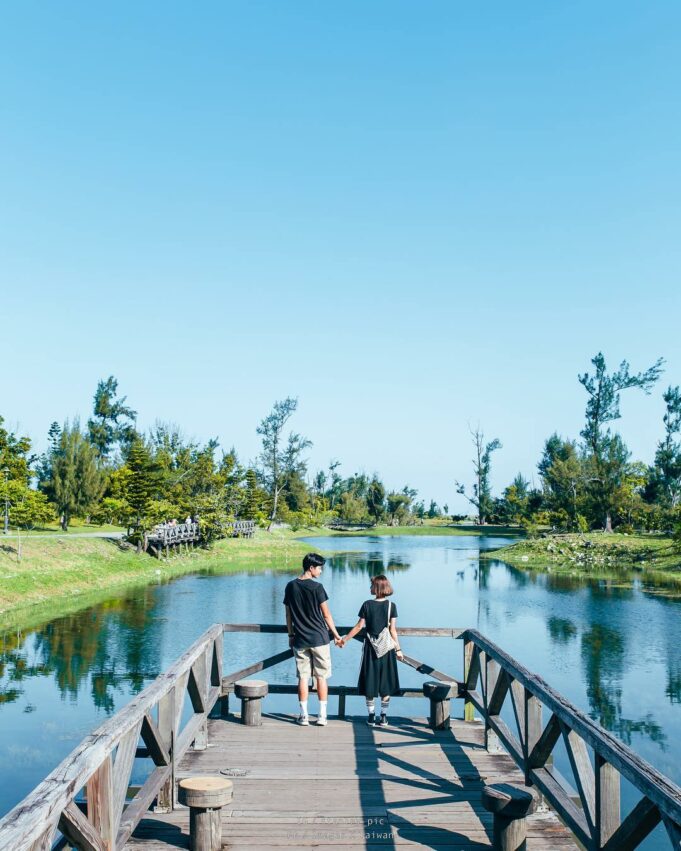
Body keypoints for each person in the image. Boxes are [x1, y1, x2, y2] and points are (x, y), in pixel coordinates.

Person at [283, 553, 343, 727]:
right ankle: (322, 716)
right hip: (319, 638)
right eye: (320, 568)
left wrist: (290, 634)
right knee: (322, 677)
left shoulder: (290, 586)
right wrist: (337, 635)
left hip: (300, 639)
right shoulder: (317, 588)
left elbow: (288, 614)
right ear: (311, 568)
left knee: (303, 677)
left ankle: (303, 716)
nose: (321, 571)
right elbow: (326, 615)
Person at [340, 574, 403, 727]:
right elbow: (393, 630)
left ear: (376, 588)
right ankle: (383, 716)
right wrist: (398, 649)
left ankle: (371, 716)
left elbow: (358, 626)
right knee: (386, 682)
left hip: (370, 648)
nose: (369, 588)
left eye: (371, 585)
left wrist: (345, 639)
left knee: (370, 680)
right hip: (386, 649)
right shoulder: (391, 606)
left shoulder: (367, 605)